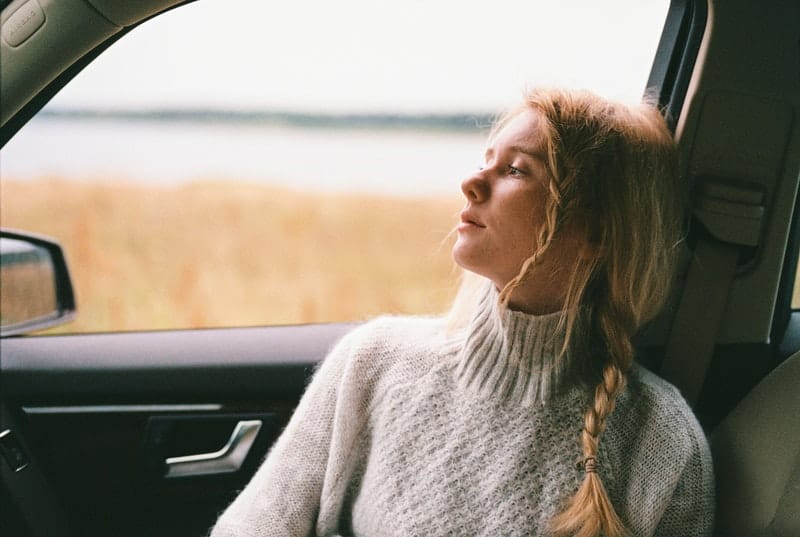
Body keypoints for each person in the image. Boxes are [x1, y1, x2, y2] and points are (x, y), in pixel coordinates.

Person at [210, 88, 714, 537]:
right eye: (485, 159)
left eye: (516, 169)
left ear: (598, 233)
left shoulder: (661, 441)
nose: (471, 183)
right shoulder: (374, 360)